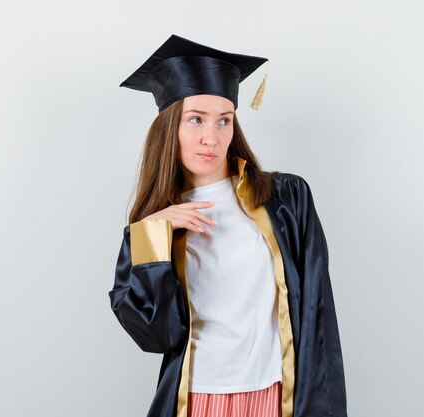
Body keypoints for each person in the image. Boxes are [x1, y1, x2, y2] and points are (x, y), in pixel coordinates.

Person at [108, 34, 348, 417]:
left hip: (276, 391)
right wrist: (154, 236)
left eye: (224, 120)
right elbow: (156, 336)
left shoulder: (285, 199)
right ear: (169, 127)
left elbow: (317, 311)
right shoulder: (150, 228)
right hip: (197, 397)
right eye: (196, 119)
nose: (212, 137)